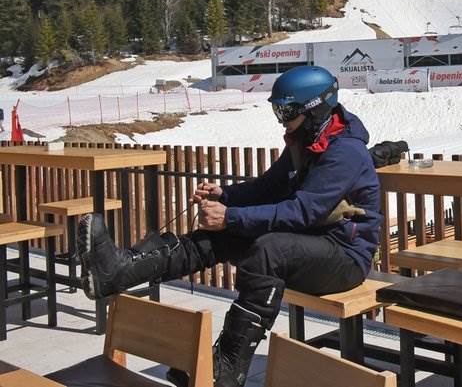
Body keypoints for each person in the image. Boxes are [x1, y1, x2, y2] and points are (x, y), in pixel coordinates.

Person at [78, 66, 381, 387]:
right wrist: (226, 195)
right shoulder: (306, 140)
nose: (281, 119)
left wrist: (230, 215)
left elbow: (302, 212)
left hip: (345, 257)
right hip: (309, 244)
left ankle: (228, 366)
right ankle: (117, 271)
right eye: (277, 110)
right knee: (221, 236)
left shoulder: (344, 151)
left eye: (287, 111)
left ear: (315, 108)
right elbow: (268, 187)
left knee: (269, 250)